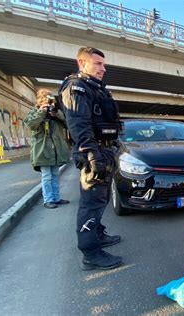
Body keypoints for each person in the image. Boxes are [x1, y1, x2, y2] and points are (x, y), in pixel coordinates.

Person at [59, 47, 122, 270]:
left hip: (104, 150)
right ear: (81, 62)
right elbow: (78, 124)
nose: (103, 69)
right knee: (91, 203)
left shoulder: (94, 88)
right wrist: (92, 154)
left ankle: (97, 234)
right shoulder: (77, 87)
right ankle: (91, 254)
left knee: (100, 200)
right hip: (93, 153)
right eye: (98, 64)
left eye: (104, 65)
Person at [24, 88, 70, 209]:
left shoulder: (55, 113)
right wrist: (42, 112)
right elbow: (31, 124)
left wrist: (56, 113)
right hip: (42, 150)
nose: (50, 104)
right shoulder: (35, 112)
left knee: (55, 174)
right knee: (47, 176)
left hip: (55, 150)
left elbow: (68, 124)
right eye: (47, 101)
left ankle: (56, 198)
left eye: (51, 101)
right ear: (40, 101)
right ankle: (48, 200)